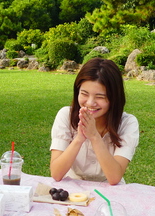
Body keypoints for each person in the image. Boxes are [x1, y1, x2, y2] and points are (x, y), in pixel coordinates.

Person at [50, 57, 139, 185]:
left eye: (100, 97)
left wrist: (94, 136)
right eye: (84, 94)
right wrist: (79, 138)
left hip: (110, 191)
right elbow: (56, 173)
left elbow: (114, 178)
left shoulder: (128, 123)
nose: (90, 103)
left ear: (114, 98)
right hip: (72, 188)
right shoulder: (66, 115)